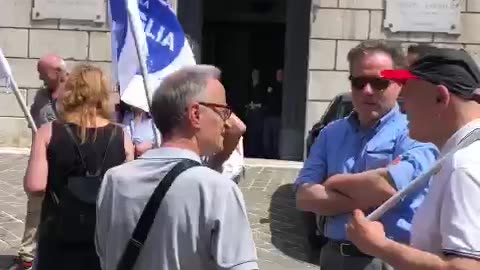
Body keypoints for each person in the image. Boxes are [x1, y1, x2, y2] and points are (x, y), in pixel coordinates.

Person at [95, 65, 258, 270]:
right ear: (196, 114)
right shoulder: (218, 190)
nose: (226, 123)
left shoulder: (114, 180)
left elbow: (104, 256)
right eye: (223, 112)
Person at [294, 40, 439, 270]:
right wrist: (370, 193)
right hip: (333, 256)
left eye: (379, 82)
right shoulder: (330, 133)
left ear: (399, 83)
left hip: (388, 259)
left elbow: (390, 187)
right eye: (359, 82)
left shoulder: (415, 132)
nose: (367, 91)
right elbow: (304, 197)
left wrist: (333, 184)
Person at [346, 48, 480, 270]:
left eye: (409, 93)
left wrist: (379, 245)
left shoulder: (464, 165)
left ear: (441, 97)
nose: (402, 103)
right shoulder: (463, 156)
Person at [23, 64, 134, 270]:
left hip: (59, 231)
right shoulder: (122, 136)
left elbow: (35, 186)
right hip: (105, 234)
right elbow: (129, 191)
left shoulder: (48, 132)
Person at [14, 54, 68, 270]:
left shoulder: (76, 94)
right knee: (35, 206)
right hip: (42, 161)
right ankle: (27, 256)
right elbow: (35, 119)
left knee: (65, 209)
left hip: (66, 163)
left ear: (57, 71)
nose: (39, 77)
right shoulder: (42, 95)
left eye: (42, 73)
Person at [262, 68, 283, 159]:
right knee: (267, 138)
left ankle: (274, 156)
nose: (279, 76)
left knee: (275, 138)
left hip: (277, 116)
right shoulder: (271, 86)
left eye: (281, 74)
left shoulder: (284, 88)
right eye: (278, 74)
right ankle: (268, 155)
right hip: (268, 115)